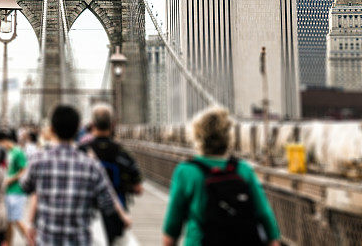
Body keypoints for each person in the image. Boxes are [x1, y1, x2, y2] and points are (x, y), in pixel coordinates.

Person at [162, 107, 281, 246]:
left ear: (197, 136)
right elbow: (264, 214)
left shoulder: (186, 171)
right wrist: (273, 240)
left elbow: (173, 224)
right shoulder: (243, 169)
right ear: (228, 136)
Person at [21, 104, 132, 246]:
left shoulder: (38, 160)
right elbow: (108, 204)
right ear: (78, 129)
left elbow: (25, 187)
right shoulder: (91, 165)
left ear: (52, 129)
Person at [78, 103, 143, 209]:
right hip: (116, 211)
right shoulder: (123, 153)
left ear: (92, 124)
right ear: (113, 124)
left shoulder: (81, 151)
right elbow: (138, 189)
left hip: (87, 211)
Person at [0, 128, 31, 245]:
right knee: (9, 222)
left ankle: (32, 241)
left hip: (17, 191)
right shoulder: (7, 153)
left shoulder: (18, 152)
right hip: (7, 191)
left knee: (16, 219)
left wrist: (11, 179)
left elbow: (24, 170)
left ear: (4, 140)